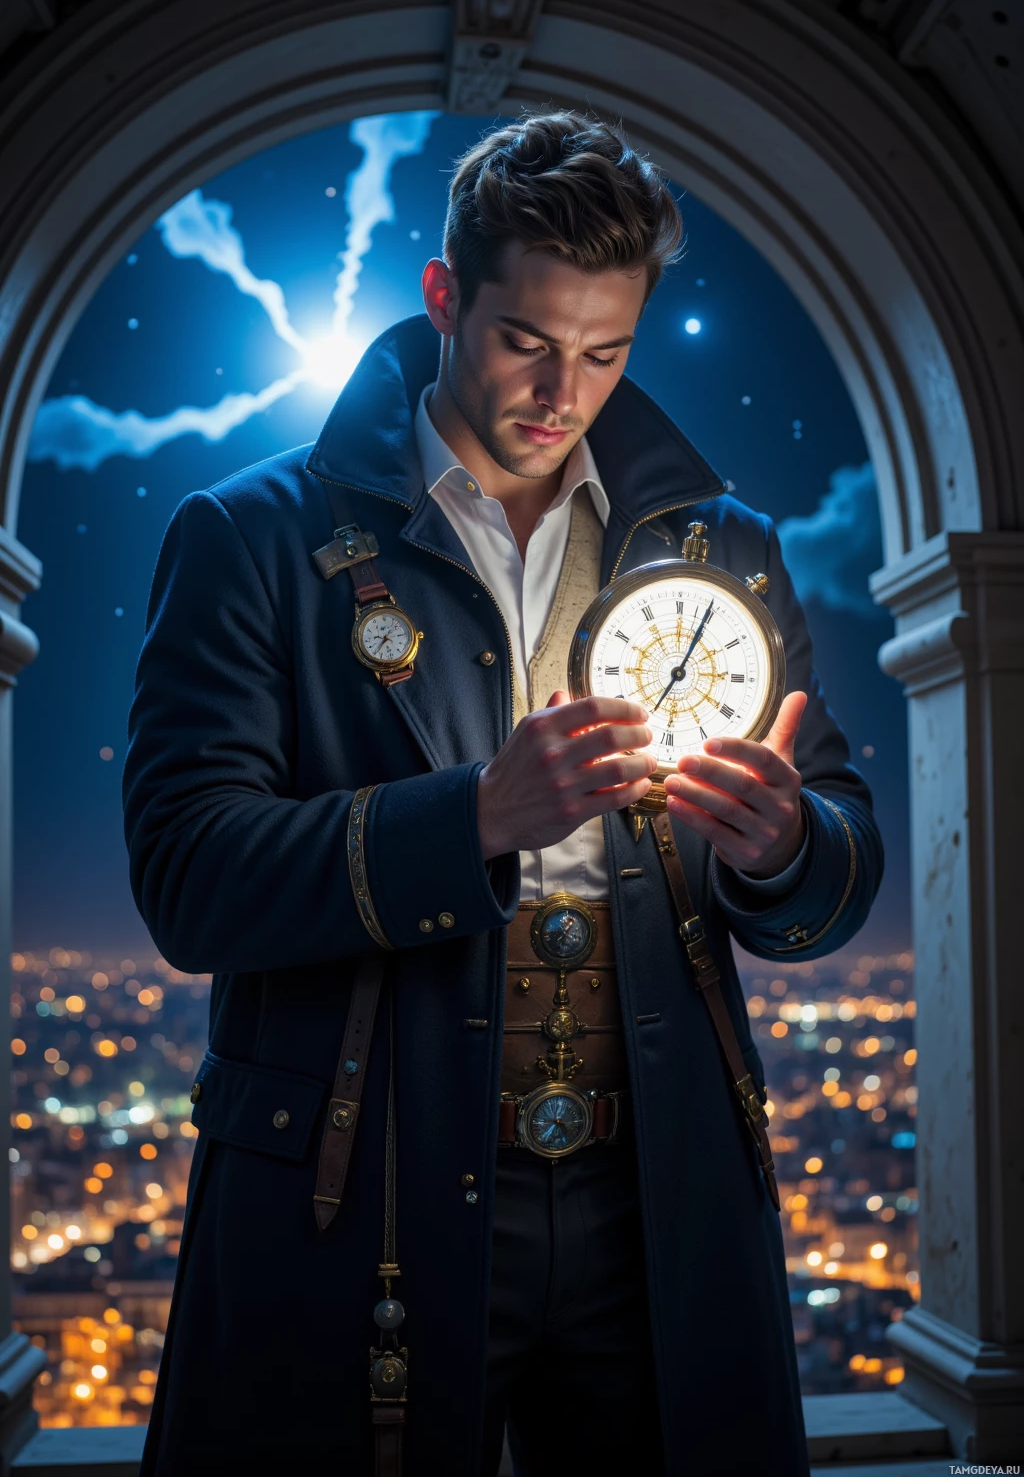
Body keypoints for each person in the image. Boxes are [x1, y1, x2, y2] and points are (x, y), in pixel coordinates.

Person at [123, 110, 883, 1476]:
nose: (562, 393)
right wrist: (475, 816)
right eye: (526, 340)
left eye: (606, 353)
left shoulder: (729, 550)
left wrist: (784, 842)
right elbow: (186, 875)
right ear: (442, 297)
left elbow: (835, 854)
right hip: (370, 1185)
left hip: (657, 1193)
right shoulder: (250, 537)